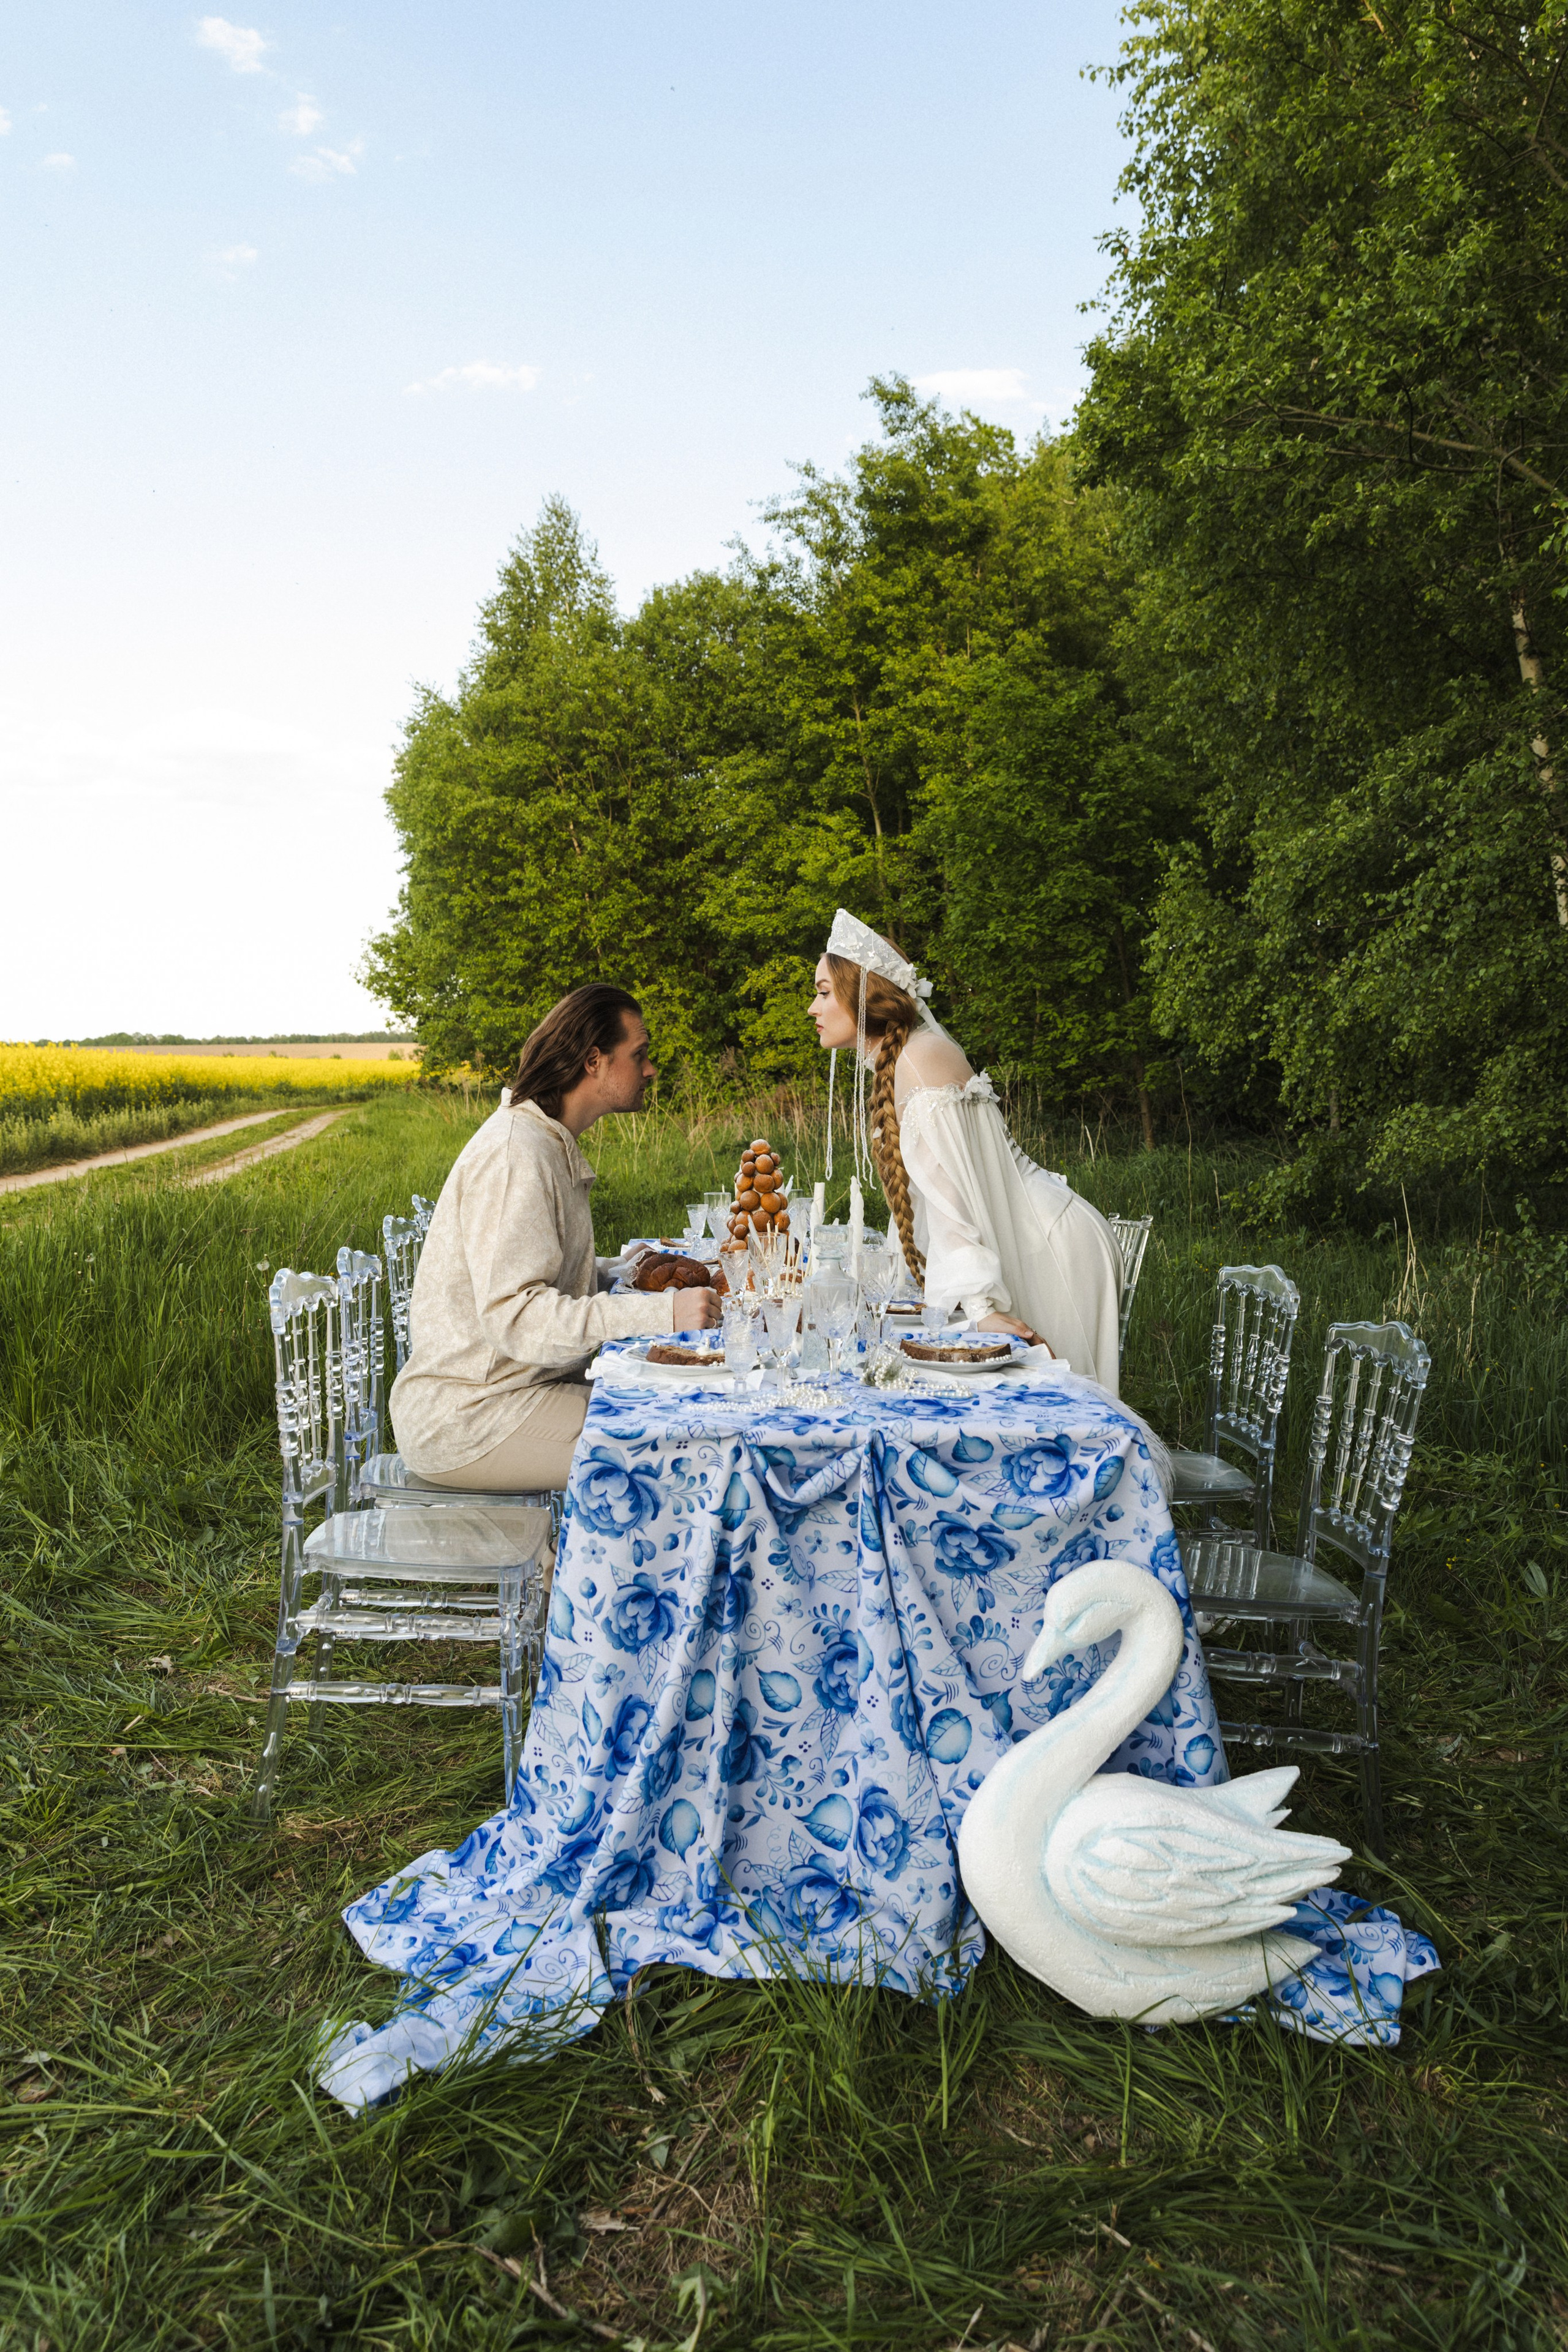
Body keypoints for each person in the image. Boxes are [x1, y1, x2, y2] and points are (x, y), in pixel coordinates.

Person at [391, 985, 719, 1492]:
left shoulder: (542, 1140)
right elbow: (516, 1316)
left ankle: (573, 1570)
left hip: (514, 1393)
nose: (650, 1069)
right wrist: (663, 1313)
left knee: (679, 1413)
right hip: (470, 1418)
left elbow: (538, 1277)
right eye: (639, 1055)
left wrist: (621, 1272)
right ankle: (580, 1573)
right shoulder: (514, 1155)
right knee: (683, 1452)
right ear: (594, 1061)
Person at [810, 910, 1124, 1391]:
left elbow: (950, 1199)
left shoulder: (920, 1059)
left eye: (823, 992)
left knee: (1063, 1414)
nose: (813, 1008)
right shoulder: (899, 1061)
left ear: (862, 995)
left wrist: (979, 1305)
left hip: (1052, 1248)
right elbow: (923, 1196)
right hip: (1020, 1237)